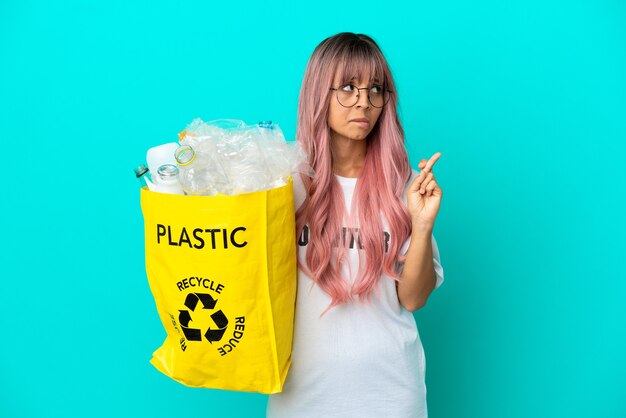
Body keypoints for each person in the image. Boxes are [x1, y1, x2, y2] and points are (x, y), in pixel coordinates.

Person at [266, 32, 445, 418]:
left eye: (375, 89)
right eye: (349, 87)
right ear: (320, 93)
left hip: (391, 395)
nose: (365, 102)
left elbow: (412, 299)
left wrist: (422, 224)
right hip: (303, 396)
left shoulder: (404, 187)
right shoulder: (284, 186)